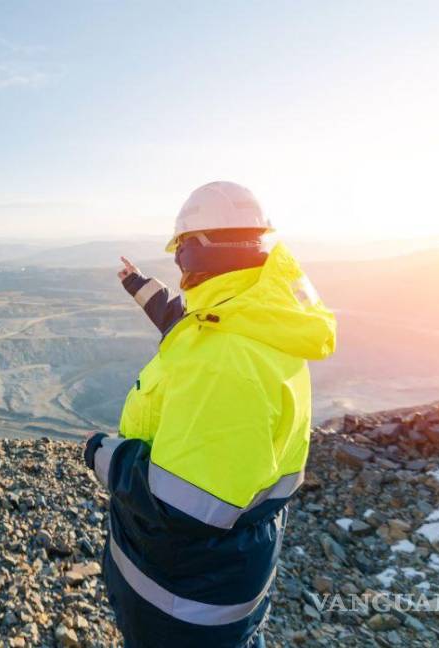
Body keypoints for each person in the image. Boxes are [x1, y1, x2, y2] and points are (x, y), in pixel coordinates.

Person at [83, 181, 337, 646]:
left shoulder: (225, 363)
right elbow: (194, 326)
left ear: (198, 249)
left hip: (183, 602)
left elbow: (180, 505)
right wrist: (145, 290)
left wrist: (104, 454)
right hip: (221, 579)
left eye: (181, 249)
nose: (178, 263)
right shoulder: (256, 317)